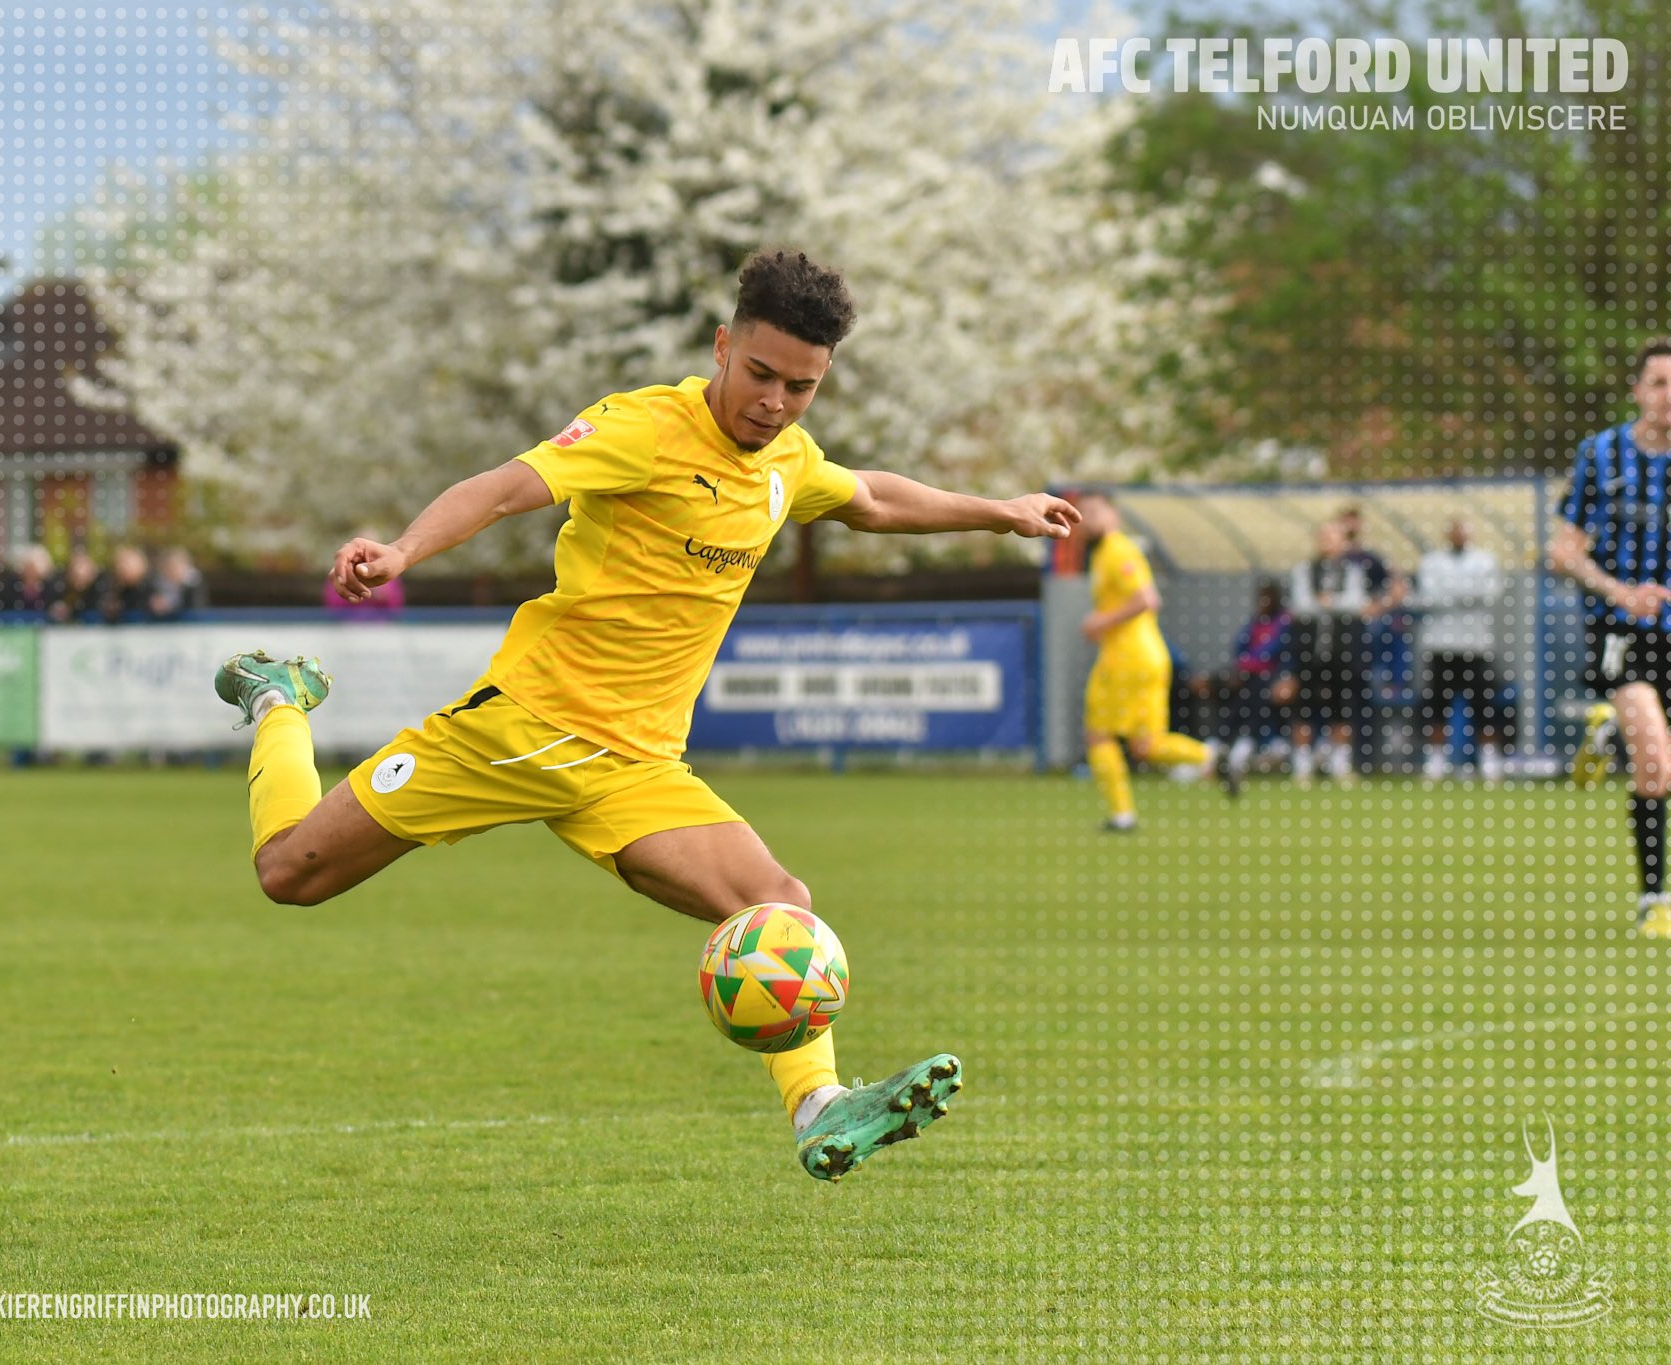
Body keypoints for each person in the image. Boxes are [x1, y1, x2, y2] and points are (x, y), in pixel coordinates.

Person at [212, 251, 1078, 1181]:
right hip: (523, 731)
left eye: (802, 387)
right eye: (760, 375)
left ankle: (822, 1106)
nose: (775, 404)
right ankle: (279, 698)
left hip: (638, 768)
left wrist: (1001, 512)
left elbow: (869, 497)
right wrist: (405, 549)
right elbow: (508, 486)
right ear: (721, 347)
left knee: (778, 905)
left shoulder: (786, 458)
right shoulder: (643, 430)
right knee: (288, 872)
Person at [1550, 338, 1671, 936]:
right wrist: (1621, 592)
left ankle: (1606, 731)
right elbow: (1562, 552)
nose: (1668, 397)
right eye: (1658, 383)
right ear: (1637, 391)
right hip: (1622, 629)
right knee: (1656, 767)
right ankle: (1655, 900)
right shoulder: (1602, 455)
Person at [1077, 490, 1236, 832]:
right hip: (1147, 657)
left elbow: (1147, 599)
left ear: (1113, 515)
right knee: (1146, 745)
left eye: (1094, 511)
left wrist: (1099, 622)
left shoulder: (1117, 549)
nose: (1087, 519)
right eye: (1082, 513)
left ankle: (1122, 817)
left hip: (1126, 659)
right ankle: (1211, 757)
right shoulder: (1103, 553)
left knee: (1098, 736)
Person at [1277, 519, 1398, 786]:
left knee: (1342, 708)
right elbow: (1299, 607)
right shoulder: (1304, 571)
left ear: (1344, 542)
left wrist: (1331, 603)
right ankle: (1301, 765)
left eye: (1334, 537)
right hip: (1309, 651)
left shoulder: (1355, 571)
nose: (1328, 542)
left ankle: (1340, 764)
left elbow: (1359, 605)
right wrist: (1327, 605)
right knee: (1303, 708)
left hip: (1345, 651)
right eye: (1325, 537)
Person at [1413, 517, 1506, 784]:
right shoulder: (1431, 561)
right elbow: (1428, 595)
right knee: (1437, 706)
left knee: (1484, 705)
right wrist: (1465, 593)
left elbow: (1489, 594)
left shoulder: (1485, 560)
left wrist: (1451, 593)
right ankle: (1436, 762)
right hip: (1440, 645)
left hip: (1475, 646)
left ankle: (1489, 762)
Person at [1212, 577, 1293, 778]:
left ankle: (1241, 745)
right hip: (1247, 675)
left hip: (1270, 676)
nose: (1263, 603)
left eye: (1267, 598)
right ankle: (1220, 745)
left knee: (1255, 695)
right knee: (1224, 690)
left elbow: (1273, 650)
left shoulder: (1284, 622)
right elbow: (1239, 645)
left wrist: (1246, 666)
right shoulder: (1255, 621)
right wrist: (1241, 668)